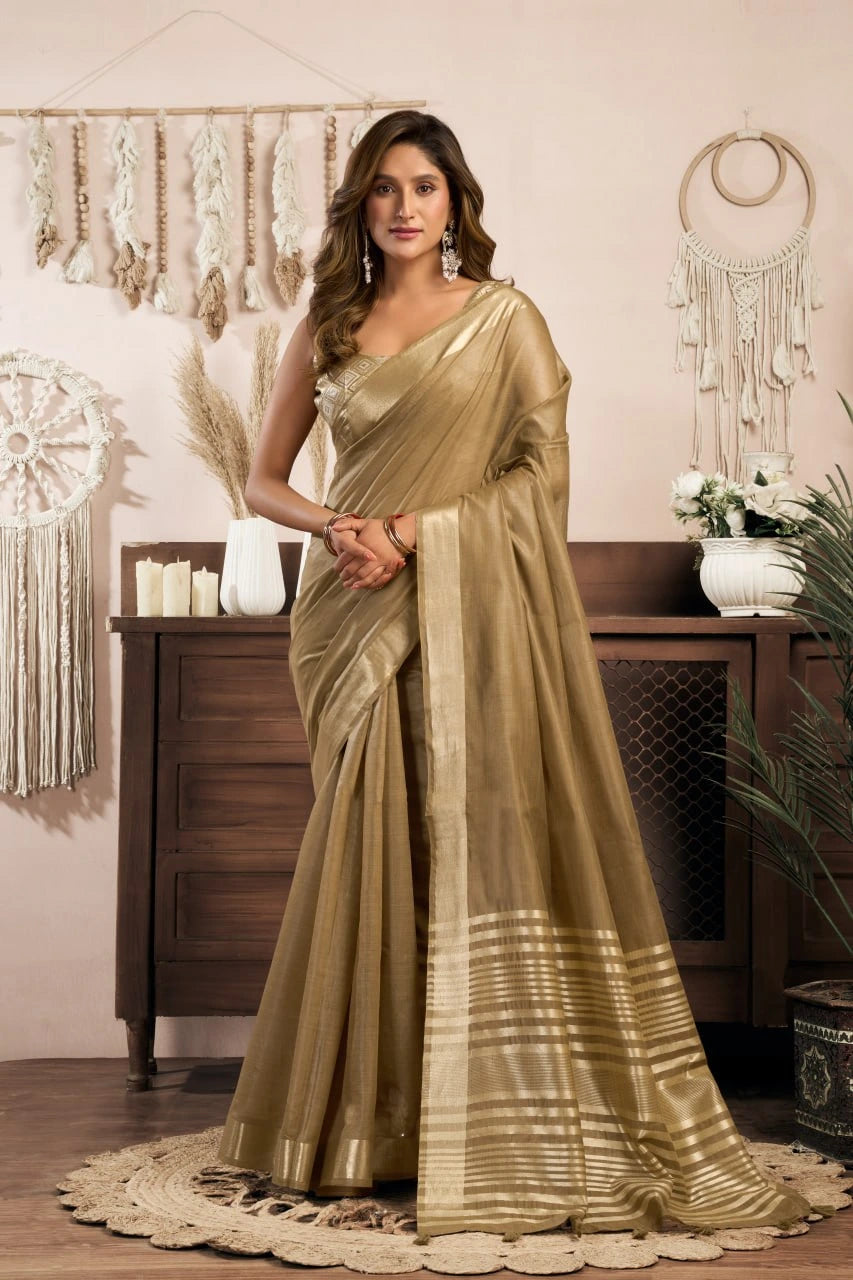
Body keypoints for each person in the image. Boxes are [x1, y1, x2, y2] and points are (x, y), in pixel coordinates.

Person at [216, 110, 813, 1239]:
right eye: (384, 187)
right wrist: (344, 526)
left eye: (425, 187)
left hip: (461, 608)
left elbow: (540, 477)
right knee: (368, 847)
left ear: (455, 203)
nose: (403, 206)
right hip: (351, 614)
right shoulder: (329, 323)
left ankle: (485, 1117)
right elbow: (261, 481)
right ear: (361, 203)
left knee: (467, 838)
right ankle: (361, 1123)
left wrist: (412, 529)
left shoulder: (502, 319)